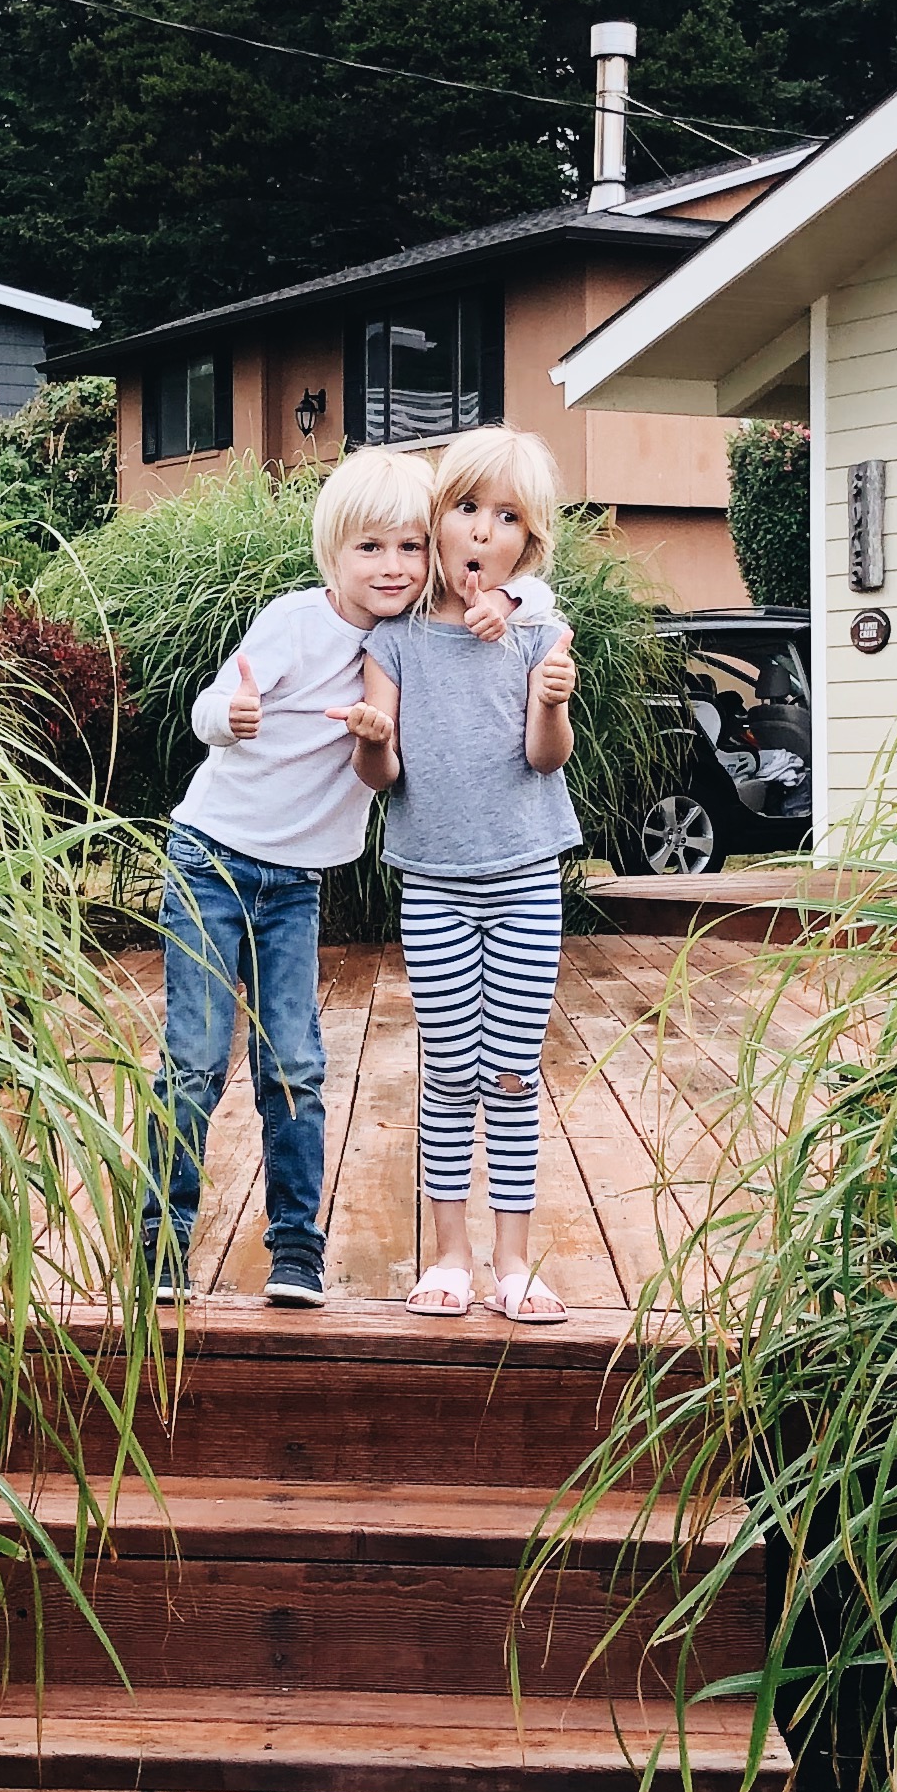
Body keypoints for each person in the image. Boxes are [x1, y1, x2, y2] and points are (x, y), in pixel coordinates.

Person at [151, 451, 517, 1305]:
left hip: (296, 882)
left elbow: (527, 587)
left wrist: (499, 598)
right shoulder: (293, 621)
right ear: (333, 553)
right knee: (196, 1059)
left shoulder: (420, 634)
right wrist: (230, 719)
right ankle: (161, 1248)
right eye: (369, 548)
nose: (391, 566)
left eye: (409, 547)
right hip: (212, 856)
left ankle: (295, 1253)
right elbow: (213, 702)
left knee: (295, 1066)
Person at [347, 427, 581, 1324]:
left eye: (508, 517)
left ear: (529, 541)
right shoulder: (397, 640)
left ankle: (512, 1264)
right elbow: (385, 776)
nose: (484, 532)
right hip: (434, 882)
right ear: (435, 522)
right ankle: (449, 1258)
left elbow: (543, 755)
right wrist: (371, 741)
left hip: (523, 875)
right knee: (448, 1068)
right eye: (467, 509)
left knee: (513, 1073)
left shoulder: (536, 629)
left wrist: (553, 698)